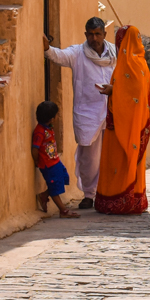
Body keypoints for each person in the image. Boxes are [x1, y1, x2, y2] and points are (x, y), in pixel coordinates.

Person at [44, 17, 116, 210]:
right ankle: (89, 195)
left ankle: (109, 193)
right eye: (90, 34)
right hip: (87, 114)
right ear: (86, 35)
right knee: (89, 158)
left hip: (112, 111)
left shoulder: (116, 54)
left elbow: (126, 77)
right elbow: (58, 56)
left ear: (104, 34)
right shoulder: (77, 53)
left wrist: (114, 89)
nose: (94, 38)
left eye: (97, 34)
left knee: (111, 156)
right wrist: (46, 49)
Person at [94, 25, 150, 215]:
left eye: (120, 41)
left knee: (119, 161)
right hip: (130, 124)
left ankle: (119, 200)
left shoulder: (131, 64)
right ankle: (133, 199)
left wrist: (113, 91)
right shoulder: (140, 63)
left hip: (124, 125)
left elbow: (134, 95)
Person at [31, 101, 79, 218]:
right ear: (52, 118)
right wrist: (37, 161)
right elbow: (35, 149)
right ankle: (63, 210)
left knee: (63, 178)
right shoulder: (40, 132)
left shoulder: (48, 128)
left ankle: (44, 195)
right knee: (55, 185)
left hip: (55, 161)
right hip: (48, 164)